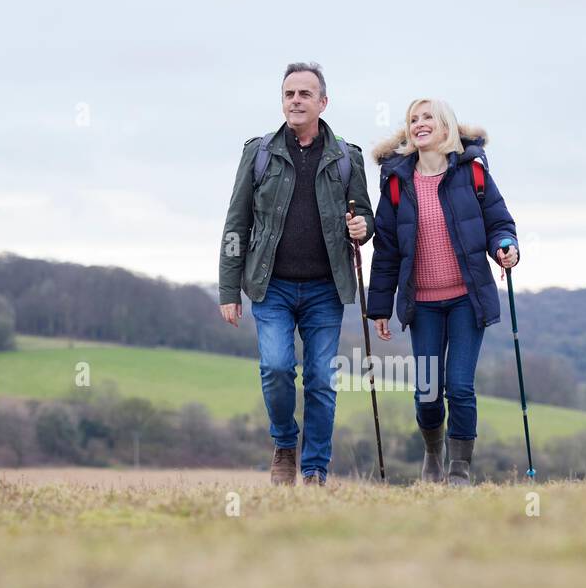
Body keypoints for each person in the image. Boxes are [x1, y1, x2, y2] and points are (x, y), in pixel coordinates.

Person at [218, 62, 374, 485]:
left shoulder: (347, 158)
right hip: (272, 287)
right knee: (276, 367)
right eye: (289, 94)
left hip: (326, 289)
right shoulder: (259, 153)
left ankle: (315, 469)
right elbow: (236, 224)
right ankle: (285, 444)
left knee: (322, 380)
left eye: (305, 94)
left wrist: (362, 228)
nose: (296, 101)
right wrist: (228, 289)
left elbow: (364, 218)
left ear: (323, 102)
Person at [366, 98, 519, 486]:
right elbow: (385, 249)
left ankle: (459, 469)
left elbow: (498, 221)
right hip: (424, 305)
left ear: (445, 126)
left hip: (467, 300)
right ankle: (433, 454)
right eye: (413, 119)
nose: (419, 124)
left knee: (461, 386)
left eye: (427, 117)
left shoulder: (472, 173)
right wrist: (379, 308)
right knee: (428, 391)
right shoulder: (398, 182)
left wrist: (505, 245)